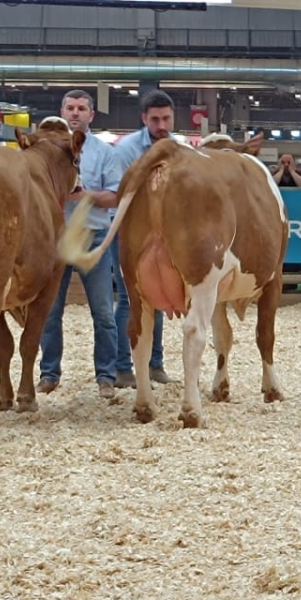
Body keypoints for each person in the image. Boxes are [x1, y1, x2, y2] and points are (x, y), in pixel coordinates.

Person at [38, 90, 124, 398]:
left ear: (91, 115)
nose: (75, 113)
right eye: (70, 107)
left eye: (81, 108)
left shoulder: (104, 152)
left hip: (92, 236)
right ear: (62, 110)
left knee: (103, 312)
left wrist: (84, 193)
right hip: (55, 238)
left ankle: (106, 376)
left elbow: (115, 195)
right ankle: (49, 373)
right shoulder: (46, 149)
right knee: (49, 311)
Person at [110, 89, 175, 386]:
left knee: (159, 296)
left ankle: (154, 364)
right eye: (155, 119)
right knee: (129, 298)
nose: (162, 125)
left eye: (166, 118)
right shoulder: (127, 150)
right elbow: (119, 195)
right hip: (128, 232)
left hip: (163, 234)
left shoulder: (178, 148)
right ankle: (123, 367)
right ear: (144, 119)